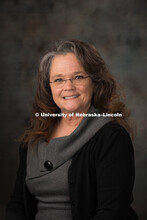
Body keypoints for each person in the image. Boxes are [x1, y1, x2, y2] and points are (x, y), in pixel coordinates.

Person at [5, 40, 138, 220]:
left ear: (95, 82)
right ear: (49, 87)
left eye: (78, 77)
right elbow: (18, 204)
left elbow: (111, 213)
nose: (69, 87)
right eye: (59, 79)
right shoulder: (34, 136)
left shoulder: (112, 137)